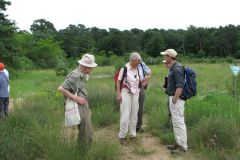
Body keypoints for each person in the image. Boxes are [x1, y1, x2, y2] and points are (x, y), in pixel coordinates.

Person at [58, 53, 97, 148]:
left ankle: (82, 150)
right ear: (84, 67)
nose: (91, 70)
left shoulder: (81, 74)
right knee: (86, 132)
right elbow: (61, 88)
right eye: (90, 68)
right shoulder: (75, 75)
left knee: (86, 130)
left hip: (82, 105)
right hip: (78, 105)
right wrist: (75, 98)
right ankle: (82, 152)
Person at [160, 49, 187, 154]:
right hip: (174, 98)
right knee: (175, 123)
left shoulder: (177, 69)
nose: (164, 58)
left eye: (165, 56)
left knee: (179, 123)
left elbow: (180, 86)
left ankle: (183, 147)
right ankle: (178, 143)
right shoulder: (173, 68)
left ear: (170, 57)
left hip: (177, 99)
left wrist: (175, 99)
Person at [117, 52, 141, 145]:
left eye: (138, 62)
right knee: (125, 115)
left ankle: (132, 134)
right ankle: (122, 136)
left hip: (135, 93)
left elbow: (136, 81)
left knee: (134, 115)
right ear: (132, 60)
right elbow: (118, 81)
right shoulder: (125, 68)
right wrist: (119, 94)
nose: (138, 63)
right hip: (125, 93)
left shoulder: (137, 68)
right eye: (137, 61)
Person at [136, 60, 151, 132]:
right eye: (137, 61)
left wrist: (146, 81)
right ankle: (131, 124)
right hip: (131, 87)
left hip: (140, 86)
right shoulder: (128, 65)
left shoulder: (141, 64)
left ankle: (138, 126)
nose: (138, 62)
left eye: (139, 60)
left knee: (140, 106)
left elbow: (149, 72)